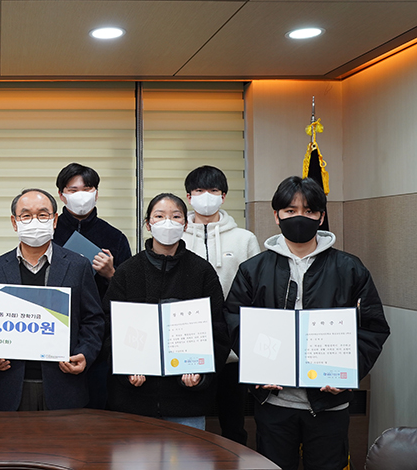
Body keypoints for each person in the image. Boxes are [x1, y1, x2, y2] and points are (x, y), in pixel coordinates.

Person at [225, 176, 390, 470]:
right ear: (276, 216)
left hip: (329, 401)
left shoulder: (349, 267)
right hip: (274, 401)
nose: (299, 217)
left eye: (309, 211)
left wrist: (348, 374)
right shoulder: (254, 269)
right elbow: (234, 321)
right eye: (290, 210)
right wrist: (257, 368)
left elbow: (372, 327)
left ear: (321, 217)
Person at [104, 193, 228, 430]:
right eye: (159, 216)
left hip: (186, 402)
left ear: (186, 224)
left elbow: (219, 330)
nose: (168, 223)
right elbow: (108, 326)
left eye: (176, 216)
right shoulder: (128, 271)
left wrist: (201, 373)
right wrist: (125, 369)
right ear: (148, 224)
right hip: (134, 400)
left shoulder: (202, 271)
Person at [0, 189, 104, 411]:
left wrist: (85, 353)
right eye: (26, 215)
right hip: (12, 385)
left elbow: (93, 319)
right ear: (14, 222)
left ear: (54, 220)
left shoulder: (78, 265)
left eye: (42, 215)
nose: (34, 221)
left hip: (65, 384)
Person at [182, 165, 261, 444]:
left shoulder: (244, 239)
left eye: (213, 190)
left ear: (224, 196)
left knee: (234, 423)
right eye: (199, 190)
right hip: (188, 345)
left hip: (233, 350)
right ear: (189, 196)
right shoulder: (177, 237)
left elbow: (256, 292)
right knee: (189, 422)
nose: (206, 196)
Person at [53, 163, 132, 409]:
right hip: (55, 330)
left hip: (101, 339)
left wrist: (111, 274)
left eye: (87, 189)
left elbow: (131, 297)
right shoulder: (48, 232)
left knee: (98, 409)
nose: (81, 195)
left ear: (96, 193)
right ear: (61, 195)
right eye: (73, 190)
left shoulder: (115, 237)